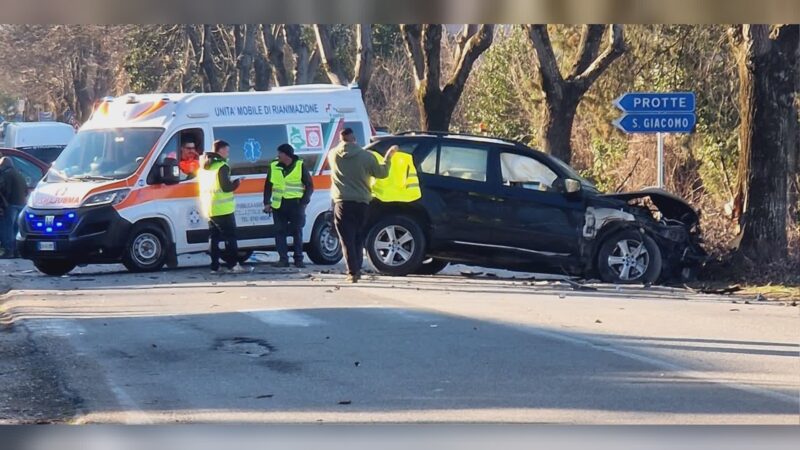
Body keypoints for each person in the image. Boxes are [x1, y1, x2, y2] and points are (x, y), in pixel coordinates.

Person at [328, 128, 396, 282]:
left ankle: (353, 272)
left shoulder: (332, 155)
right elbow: (382, 173)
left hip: (342, 201)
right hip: (362, 202)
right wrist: (388, 157)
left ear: (340, 139)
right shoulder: (367, 156)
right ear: (355, 139)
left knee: (346, 238)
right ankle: (357, 267)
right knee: (359, 236)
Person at [198, 140, 251, 274]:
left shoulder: (204, 167)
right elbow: (226, 187)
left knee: (214, 238)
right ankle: (233, 265)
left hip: (210, 207)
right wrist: (237, 182)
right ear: (220, 151)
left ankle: (214, 267)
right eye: (226, 151)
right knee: (230, 238)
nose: (228, 154)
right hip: (223, 208)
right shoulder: (222, 166)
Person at [263, 143, 313, 268]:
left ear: (287, 155)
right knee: (279, 232)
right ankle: (283, 259)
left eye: (280, 153)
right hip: (278, 204)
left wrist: (304, 202)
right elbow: (268, 185)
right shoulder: (274, 165)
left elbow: (309, 186)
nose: (278, 155)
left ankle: (298, 259)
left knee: (297, 231)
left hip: (295, 204)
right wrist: (266, 202)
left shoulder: (300, 165)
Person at [0, 157, 27, 258]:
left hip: (11, 204)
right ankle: (17, 251)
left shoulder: (6, 174)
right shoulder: (19, 174)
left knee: (7, 229)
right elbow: (26, 190)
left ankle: (9, 251)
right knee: (17, 229)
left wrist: (3, 204)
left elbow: (3, 189)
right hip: (21, 204)